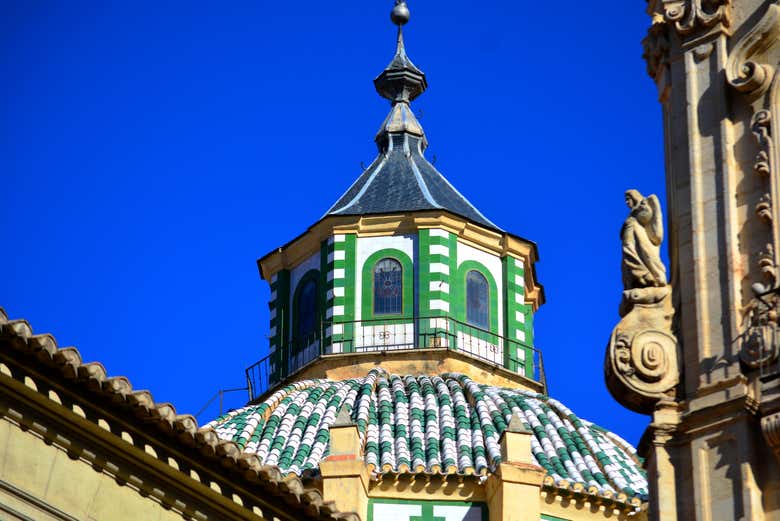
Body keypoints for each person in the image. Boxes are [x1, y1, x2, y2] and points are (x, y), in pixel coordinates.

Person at [621, 189, 667, 290]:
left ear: (634, 197)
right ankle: (637, 277)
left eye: (628, 199)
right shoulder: (633, 211)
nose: (627, 202)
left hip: (636, 233)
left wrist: (638, 213)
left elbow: (647, 216)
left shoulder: (643, 204)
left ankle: (645, 274)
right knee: (628, 254)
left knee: (633, 251)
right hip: (629, 234)